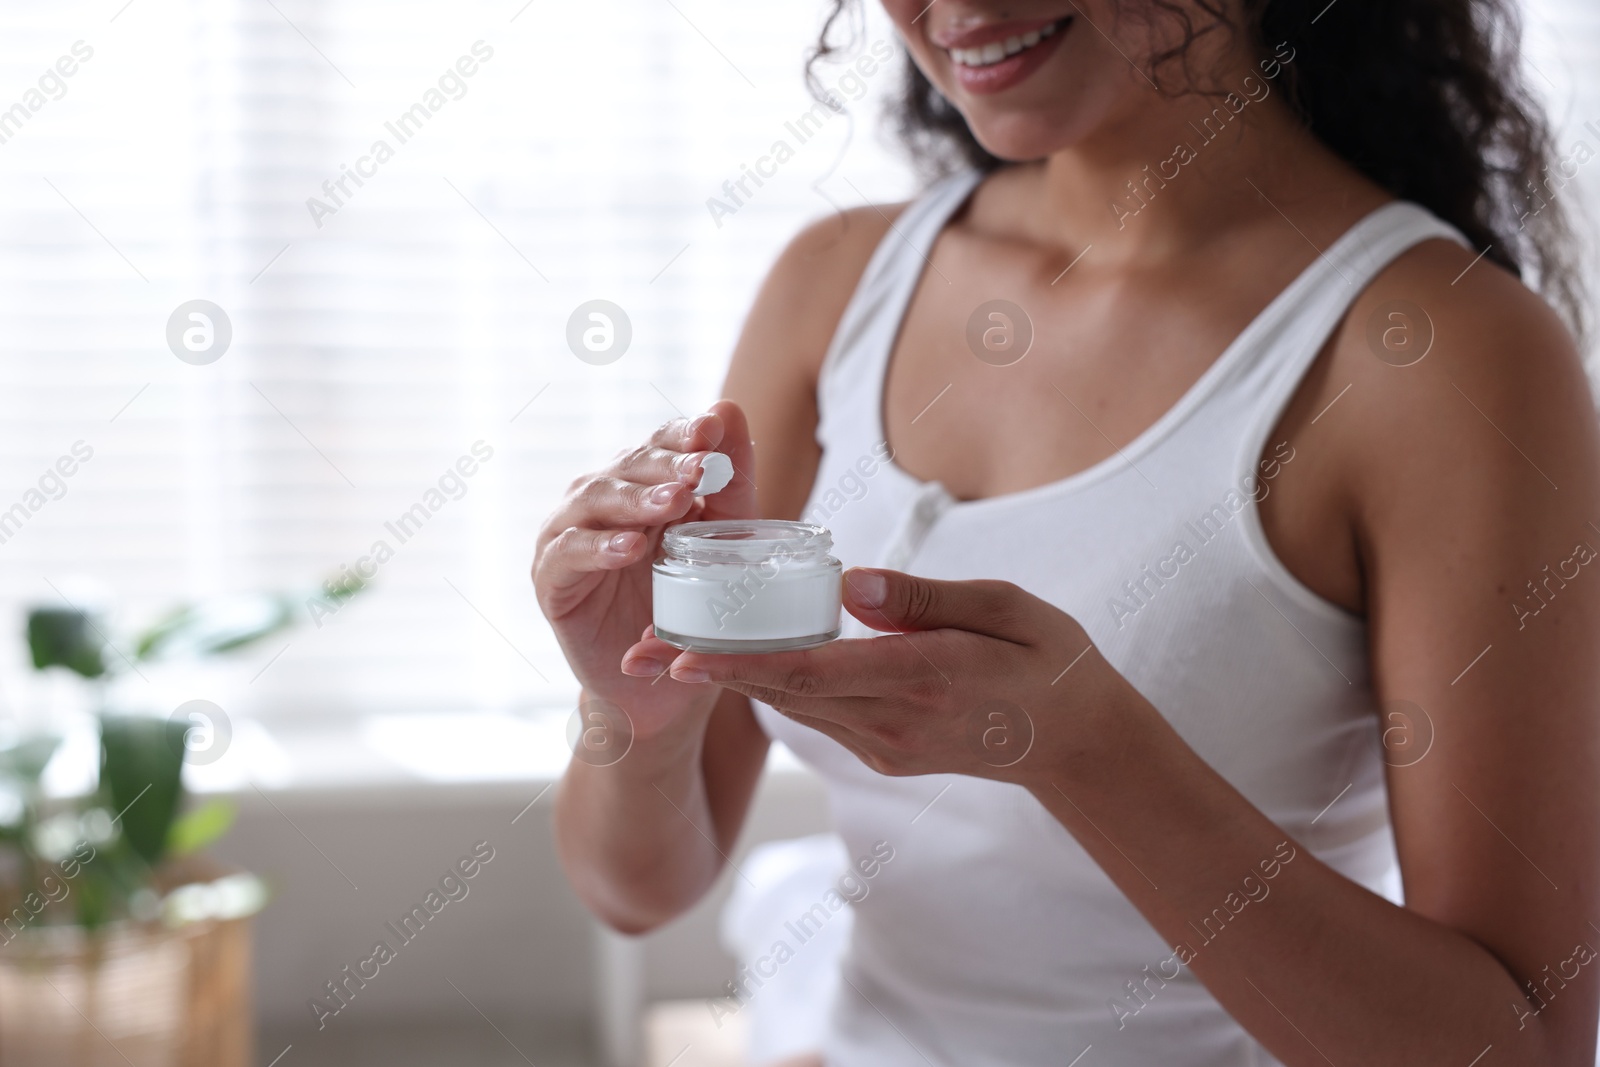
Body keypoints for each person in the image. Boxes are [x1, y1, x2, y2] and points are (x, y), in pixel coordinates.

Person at [536, 1, 1600, 1063]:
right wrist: (634, 710)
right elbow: (633, 888)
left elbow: (1521, 1046)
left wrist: (1092, 754)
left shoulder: (1442, 354)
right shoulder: (837, 282)